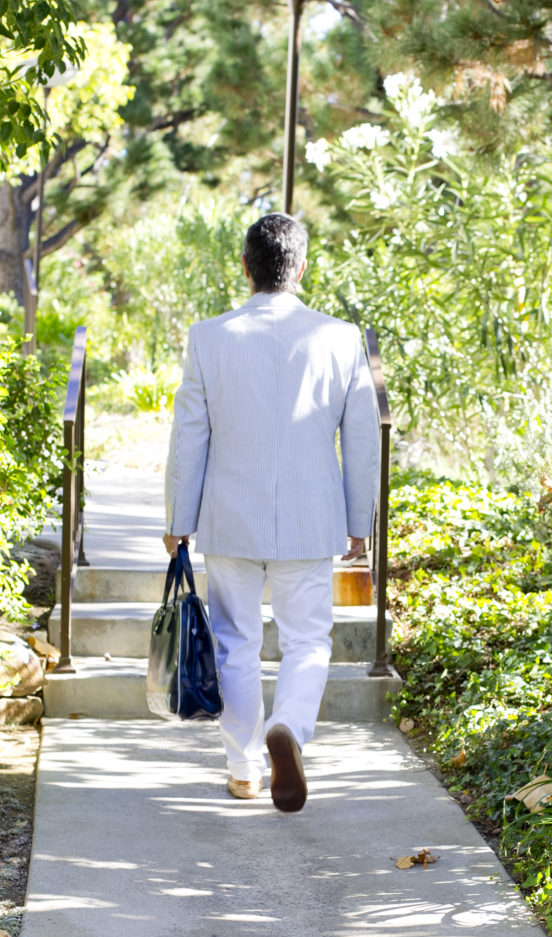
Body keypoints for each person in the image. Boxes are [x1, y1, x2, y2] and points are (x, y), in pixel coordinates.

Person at [162, 213, 379, 813]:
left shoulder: (209, 336)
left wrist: (179, 517)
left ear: (245, 267)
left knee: (234, 641)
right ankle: (289, 727)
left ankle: (243, 767)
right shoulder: (341, 337)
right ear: (302, 269)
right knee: (308, 639)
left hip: (229, 517)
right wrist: (359, 522)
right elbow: (361, 439)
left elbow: (189, 437)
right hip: (311, 521)